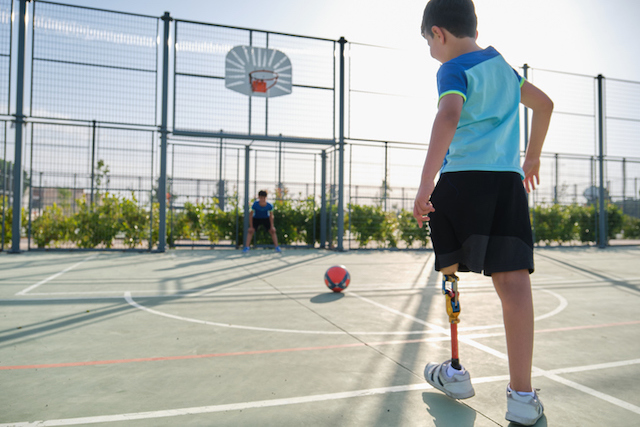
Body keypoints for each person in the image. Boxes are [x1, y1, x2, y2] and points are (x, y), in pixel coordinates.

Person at [413, 0, 553, 425]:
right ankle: (522, 397)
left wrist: (424, 184)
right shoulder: (505, 70)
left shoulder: (453, 67)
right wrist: (532, 157)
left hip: (462, 181)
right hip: (506, 184)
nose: (431, 52)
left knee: (451, 270)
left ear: (439, 33)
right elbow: (545, 104)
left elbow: (449, 114)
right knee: (514, 285)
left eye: (428, 43)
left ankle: (455, 369)